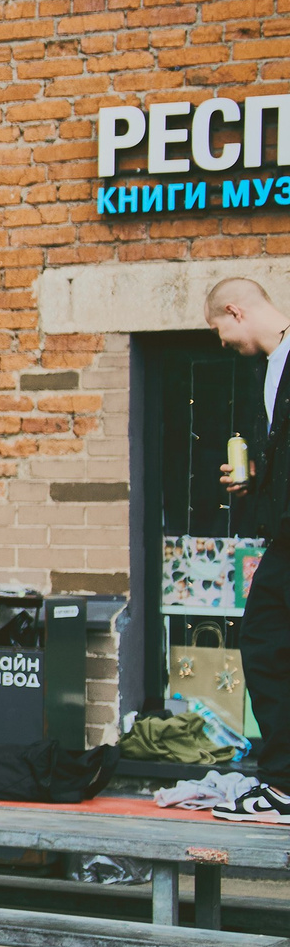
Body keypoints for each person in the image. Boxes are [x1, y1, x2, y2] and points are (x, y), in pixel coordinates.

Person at [210, 276, 290, 824]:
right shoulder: (276, 365)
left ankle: (283, 786)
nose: (222, 344)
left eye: (220, 330)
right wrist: (260, 477)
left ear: (235, 312)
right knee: (269, 645)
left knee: (263, 643)